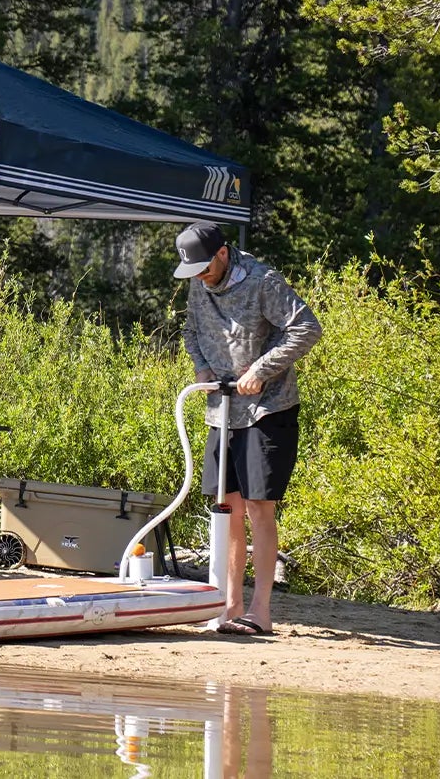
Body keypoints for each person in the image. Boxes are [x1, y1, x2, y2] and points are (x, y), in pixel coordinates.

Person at [176, 221, 321, 637]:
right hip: (220, 409)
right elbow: (190, 332)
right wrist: (203, 368)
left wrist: (261, 369)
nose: (200, 277)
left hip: (266, 409)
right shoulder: (198, 281)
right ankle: (228, 605)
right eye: (193, 272)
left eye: (204, 268)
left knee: (259, 508)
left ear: (222, 253)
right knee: (228, 508)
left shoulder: (263, 282)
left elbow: (307, 328)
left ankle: (260, 611)